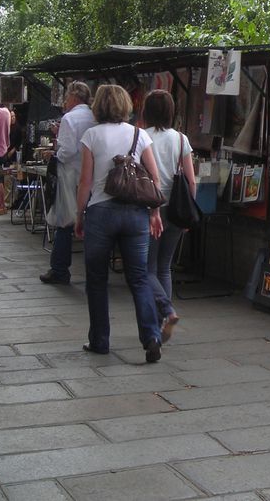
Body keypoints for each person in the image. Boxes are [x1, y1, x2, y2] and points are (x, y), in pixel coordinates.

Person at [74, 85, 164, 363]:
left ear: (98, 106)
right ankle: (151, 337)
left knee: (97, 279)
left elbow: (86, 182)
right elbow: (154, 178)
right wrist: (155, 213)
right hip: (135, 213)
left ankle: (100, 340)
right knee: (138, 278)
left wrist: (79, 215)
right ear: (126, 105)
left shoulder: (91, 136)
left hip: (101, 213)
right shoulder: (138, 134)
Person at [141, 89, 196, 342]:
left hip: (151, 207)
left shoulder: (141, 136)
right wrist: (188, 213)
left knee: (147, 268)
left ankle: (165, 312)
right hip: (175, 208)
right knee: (165, 267)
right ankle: (165, 318)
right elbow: (190, 180)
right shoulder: (182, 140)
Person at [41, 82, 96, 285]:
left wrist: (53, 153)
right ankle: (94, 271)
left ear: (74, 96)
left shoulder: (69, 118)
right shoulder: (95, 116)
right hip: (93, 176)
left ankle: (59, 269)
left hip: (70, 176)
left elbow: (66, 152)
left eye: (67, 97)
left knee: (65, 222)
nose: (65, 101)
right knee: (91, 223)